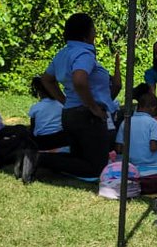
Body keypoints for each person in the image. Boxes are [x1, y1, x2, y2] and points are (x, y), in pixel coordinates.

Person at [33, 12, 122, 180]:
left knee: (79, 158)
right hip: (88, 117)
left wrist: (64, 101)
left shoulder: (63, 53)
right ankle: (40, 158)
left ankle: (39, 158)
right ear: (87, 33)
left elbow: (47, 79)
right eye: (93, 29)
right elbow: (80, 79)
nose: (95, 33)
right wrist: (93, 107)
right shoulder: (84, 53)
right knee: (97, 168)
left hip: (70, 114)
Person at [115, 84, 157, 166]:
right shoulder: (153, 122)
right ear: (153, 108)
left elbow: (118, 148)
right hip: (151, 164)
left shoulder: (125, 122)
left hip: (130, 164)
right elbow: (153, 147)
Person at [27, 76, 69, 152]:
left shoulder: (36, 108)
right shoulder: (62, 104)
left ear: (39, 92)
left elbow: (33, 129)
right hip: (61, 141)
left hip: (42, 143)